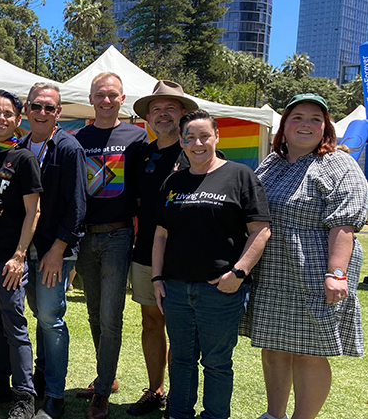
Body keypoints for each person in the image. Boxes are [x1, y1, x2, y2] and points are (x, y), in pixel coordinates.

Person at [240, 94, 368, 419]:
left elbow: (345, 224)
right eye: (297, 117)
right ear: (284, 126)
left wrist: (336, 273)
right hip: (272, 271)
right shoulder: (272, 162)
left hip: (315, 273)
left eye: (315, 118)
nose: (306, 124)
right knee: (273, 345)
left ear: (326, 127)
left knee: (310, 351)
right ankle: (274, 414)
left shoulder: (340, 164)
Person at [152, 109, 271, 419]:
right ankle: (179, 414)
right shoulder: (173, 181)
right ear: (181, 141)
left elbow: (261, 230)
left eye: (204, 136)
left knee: (217, 363)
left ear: (217, 137)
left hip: (220, 291)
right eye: (190, 137)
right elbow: (161, 234)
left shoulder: (240, 175)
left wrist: (239, 272)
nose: (198, 143)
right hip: (176, 289)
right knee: (180, 360)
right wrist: (156, 278)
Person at [71, 72, 147, 419]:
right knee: (93, 311)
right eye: (100, 94)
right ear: (90, 98)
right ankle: (108, 375)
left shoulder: (137, 138)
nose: (106, 100)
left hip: (119, 235)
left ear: (122, 99)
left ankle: (101, 392)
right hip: (85, 235)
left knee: (111, 313)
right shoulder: (76, 139)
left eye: (112, 95)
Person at [125, 80, 198, 417]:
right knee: (151, 322)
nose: (163, 114)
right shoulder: (142, 154)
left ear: (184, 112)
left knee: (180, 328)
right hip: (145, 254)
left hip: (185, 258)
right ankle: (155, 390)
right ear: (148, 118)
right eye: (157, 109)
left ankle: (180, 398)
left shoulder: (197, 153)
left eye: (171, 107)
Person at [21, 82, 87, 419]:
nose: (42, 112)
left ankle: (55, 396)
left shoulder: (68, 148)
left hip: (54, 250)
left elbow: (77, 206)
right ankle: (43, 378)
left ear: (58, 112)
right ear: (27, 108)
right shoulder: (20, 147)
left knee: (50, 318)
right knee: (40, 316)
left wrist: (57, 250)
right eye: (37, 106)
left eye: (49, 107)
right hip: (27, 250)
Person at [0, 90, 42, 419]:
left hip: (9, 259)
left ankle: (25, 395)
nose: (1, 119)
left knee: (15, 325)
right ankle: (1, 381)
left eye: (8, 114)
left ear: (18, 119)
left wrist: (19, 256)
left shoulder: (24, 158)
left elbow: (34, 211)